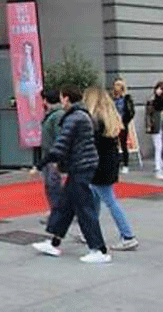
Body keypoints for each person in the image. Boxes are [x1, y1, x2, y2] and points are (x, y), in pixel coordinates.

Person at [32, 84, 111, 264]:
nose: (61, 101)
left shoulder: (74, 118)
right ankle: (53, 242)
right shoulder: (80, 115)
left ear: (66, 98)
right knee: (65, 206)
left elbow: (60, 145)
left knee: (84, 209)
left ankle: (98, 249)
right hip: (82, 166)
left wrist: (40, 164)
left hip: (81, 167)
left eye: (62, 97)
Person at [84, 87, 139, 251]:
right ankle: (90, 231)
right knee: (95, 199)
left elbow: (92, 145)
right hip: (109, 162)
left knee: (109, 201)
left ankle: (128, 235)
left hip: (99, 165)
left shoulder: (94, 119)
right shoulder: (110, 117)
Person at [37, 90, 65, 216]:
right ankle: (56, 209)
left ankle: (58, 211)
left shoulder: (57, 115)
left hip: (53, 156)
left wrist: (57, 157)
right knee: (50, 184)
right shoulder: (51, 114)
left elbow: (59, 137)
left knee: (53, 185)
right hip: (49, 155)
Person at [112, 79, 134, 174]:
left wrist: (125, 121)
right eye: (116, 85)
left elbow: (131, 111)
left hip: (122, 123)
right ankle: (115, 164)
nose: (116, 88)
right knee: (113, 144)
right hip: (113, 123)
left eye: (118, 86)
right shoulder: (112, 98)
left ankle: (125, 165)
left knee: (123, 144)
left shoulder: (126, 99)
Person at [144, 81, 163, 179]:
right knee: (158, 147)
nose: (159, 91)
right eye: (158, 88)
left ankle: (160, 166)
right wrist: (148, 126)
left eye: (161, 89)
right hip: (155, 126)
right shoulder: (152, 101)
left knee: (161, 147)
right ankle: (157, 168)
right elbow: (148, 115)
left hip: (161, 125)